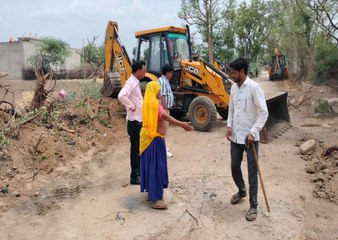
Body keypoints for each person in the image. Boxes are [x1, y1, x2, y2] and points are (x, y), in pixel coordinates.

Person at [225, 58, 268, 221]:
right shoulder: (234, 89)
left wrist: (253, 131)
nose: (232, 75)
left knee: (252, 173)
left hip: (250, 138)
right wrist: (229, 125)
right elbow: (231, 109)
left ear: (242, 72)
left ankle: (253, 206)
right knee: (234, 166)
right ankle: (242, 190)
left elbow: (264, 112)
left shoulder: (254, 88)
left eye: (234, 72)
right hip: (236, 136)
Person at [139, 81, 193, 209]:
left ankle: (151, 193)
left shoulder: (148, 103)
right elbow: (165, 117)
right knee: (156, 169)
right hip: (154, 140)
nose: (159, 92)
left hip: (148, 138)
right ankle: (155, 199)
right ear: (154, 91)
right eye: (158, 90)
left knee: (150, 166)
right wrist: (182, 124)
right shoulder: (154, 105)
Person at [118, 60, 146, 185]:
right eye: (144, 70)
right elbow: (121, 96)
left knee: (138, 148)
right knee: (135, 149)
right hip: (134, 121)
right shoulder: (131, 82)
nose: (145, 72)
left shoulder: (135, 82)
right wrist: (131, 106)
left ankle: (138, 173)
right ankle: (134, 176)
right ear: (138, 71)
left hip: (138, 120)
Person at [158, 64, 175, 158]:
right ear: (167, 73)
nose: (172, 75)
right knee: (163, 130)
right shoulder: (163, 82)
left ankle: (164, 146)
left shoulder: (164, 80)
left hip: (164, 109)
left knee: (164, 130)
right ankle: (162, 149)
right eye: (171, 73)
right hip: (163, 109)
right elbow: (162, 96)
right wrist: (164, 110)